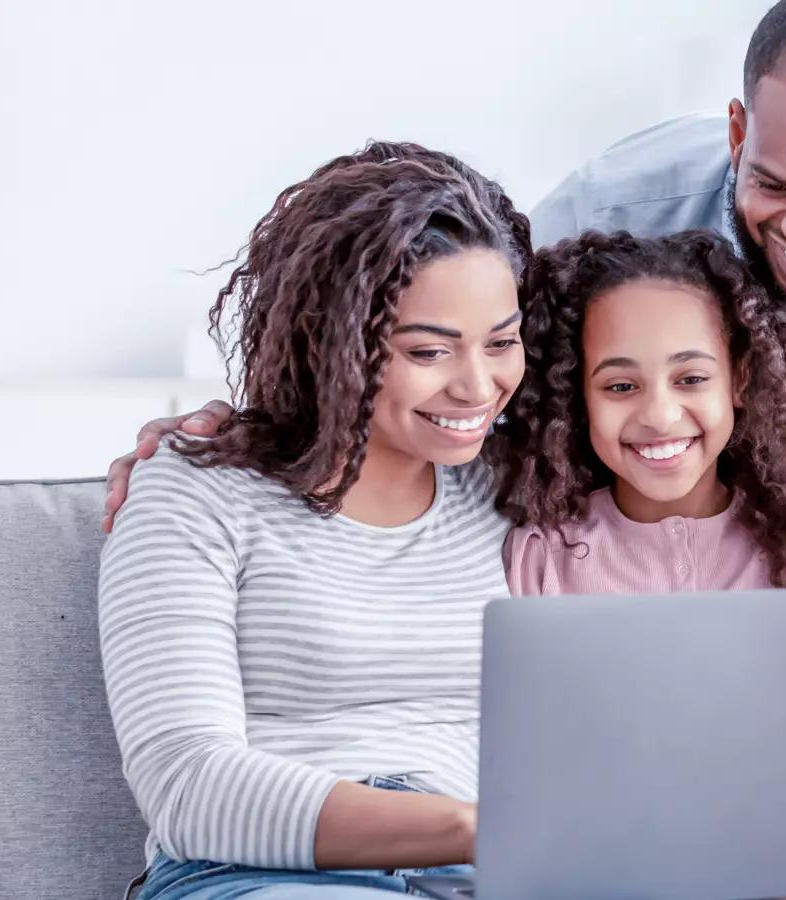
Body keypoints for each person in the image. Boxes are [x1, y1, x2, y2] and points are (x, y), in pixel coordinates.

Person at [100, 0, 786, 521]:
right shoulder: (613, 205)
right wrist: (259, 430)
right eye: (776, 185)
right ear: (736, 133)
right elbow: (450, 353)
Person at [100, 142, 531, 898]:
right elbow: (187, 784)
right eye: (428, 351)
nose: (477, 385)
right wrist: (476, 825)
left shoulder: (516, 489)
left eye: (502, 342)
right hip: (259, 874)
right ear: (331, 342)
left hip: (491, 872)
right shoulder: (197, 494)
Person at [498, 227, 786, 812]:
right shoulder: (541, 561)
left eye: (691, 378)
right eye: (620, 386)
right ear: (580, 398)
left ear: (739, 379)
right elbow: (527, 770)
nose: (660, 414)